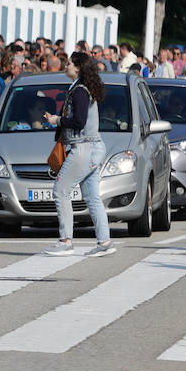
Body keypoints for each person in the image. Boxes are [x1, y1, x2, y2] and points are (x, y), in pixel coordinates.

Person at [42, 52, 115, 257]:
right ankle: (104, 242)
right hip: (92, 146)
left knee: (60, 191)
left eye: (68, 64)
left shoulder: (79, 91)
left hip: (84, 147)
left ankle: (65, 241)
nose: (65, 66)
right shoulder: (83, 89)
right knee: (92, 196)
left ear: (78, 68)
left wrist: (57, 120)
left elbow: (79, 121)